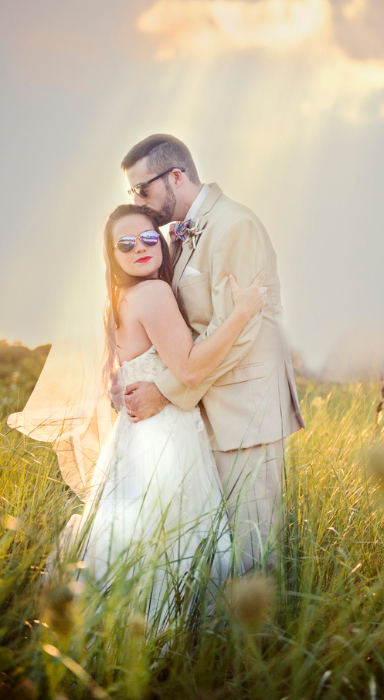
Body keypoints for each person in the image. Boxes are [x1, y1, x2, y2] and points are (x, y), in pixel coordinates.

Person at [56, 204, 266, 622]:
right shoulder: (153, 293)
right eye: (126, 244)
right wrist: (242, 311)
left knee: (136, 536)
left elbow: (118, 376)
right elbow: (188, 367)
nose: (139, 249)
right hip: (166, 437)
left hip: (134, 437)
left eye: (149, 238)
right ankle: (160, 632)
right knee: (171, 535)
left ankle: (121, 628)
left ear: (162, 240)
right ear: (112, 255)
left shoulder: (117, 299)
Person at [119, 135, 305, 572]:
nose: (139, 202)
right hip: (208, 411)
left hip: (245, 414)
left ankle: (260, 641)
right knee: (216, 551)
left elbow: (237, 331)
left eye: (141, 190)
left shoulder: (234, 224)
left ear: (176, 177)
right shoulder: (181, 236)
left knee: (251, 553)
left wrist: (163, 391)